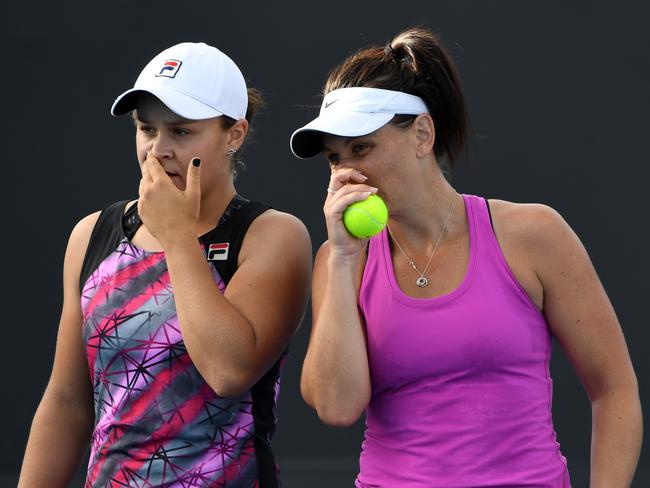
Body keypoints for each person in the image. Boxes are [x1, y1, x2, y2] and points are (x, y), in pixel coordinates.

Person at [292, 28, 642, 487]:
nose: (347, 173)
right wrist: (340, 257)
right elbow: (337, 407)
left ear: (421, 134)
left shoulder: (534, 234)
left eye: (362, 148)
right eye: (334, 158)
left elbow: (614, 390)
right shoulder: (339, 261)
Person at [19, 42, 312, 487]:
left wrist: (178, 237)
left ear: (234, 134)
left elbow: (228, 371)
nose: (157, 150)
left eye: (180, 131)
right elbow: (66, 403)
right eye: (146, 129)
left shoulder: (272, 235)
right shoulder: (91, 234)